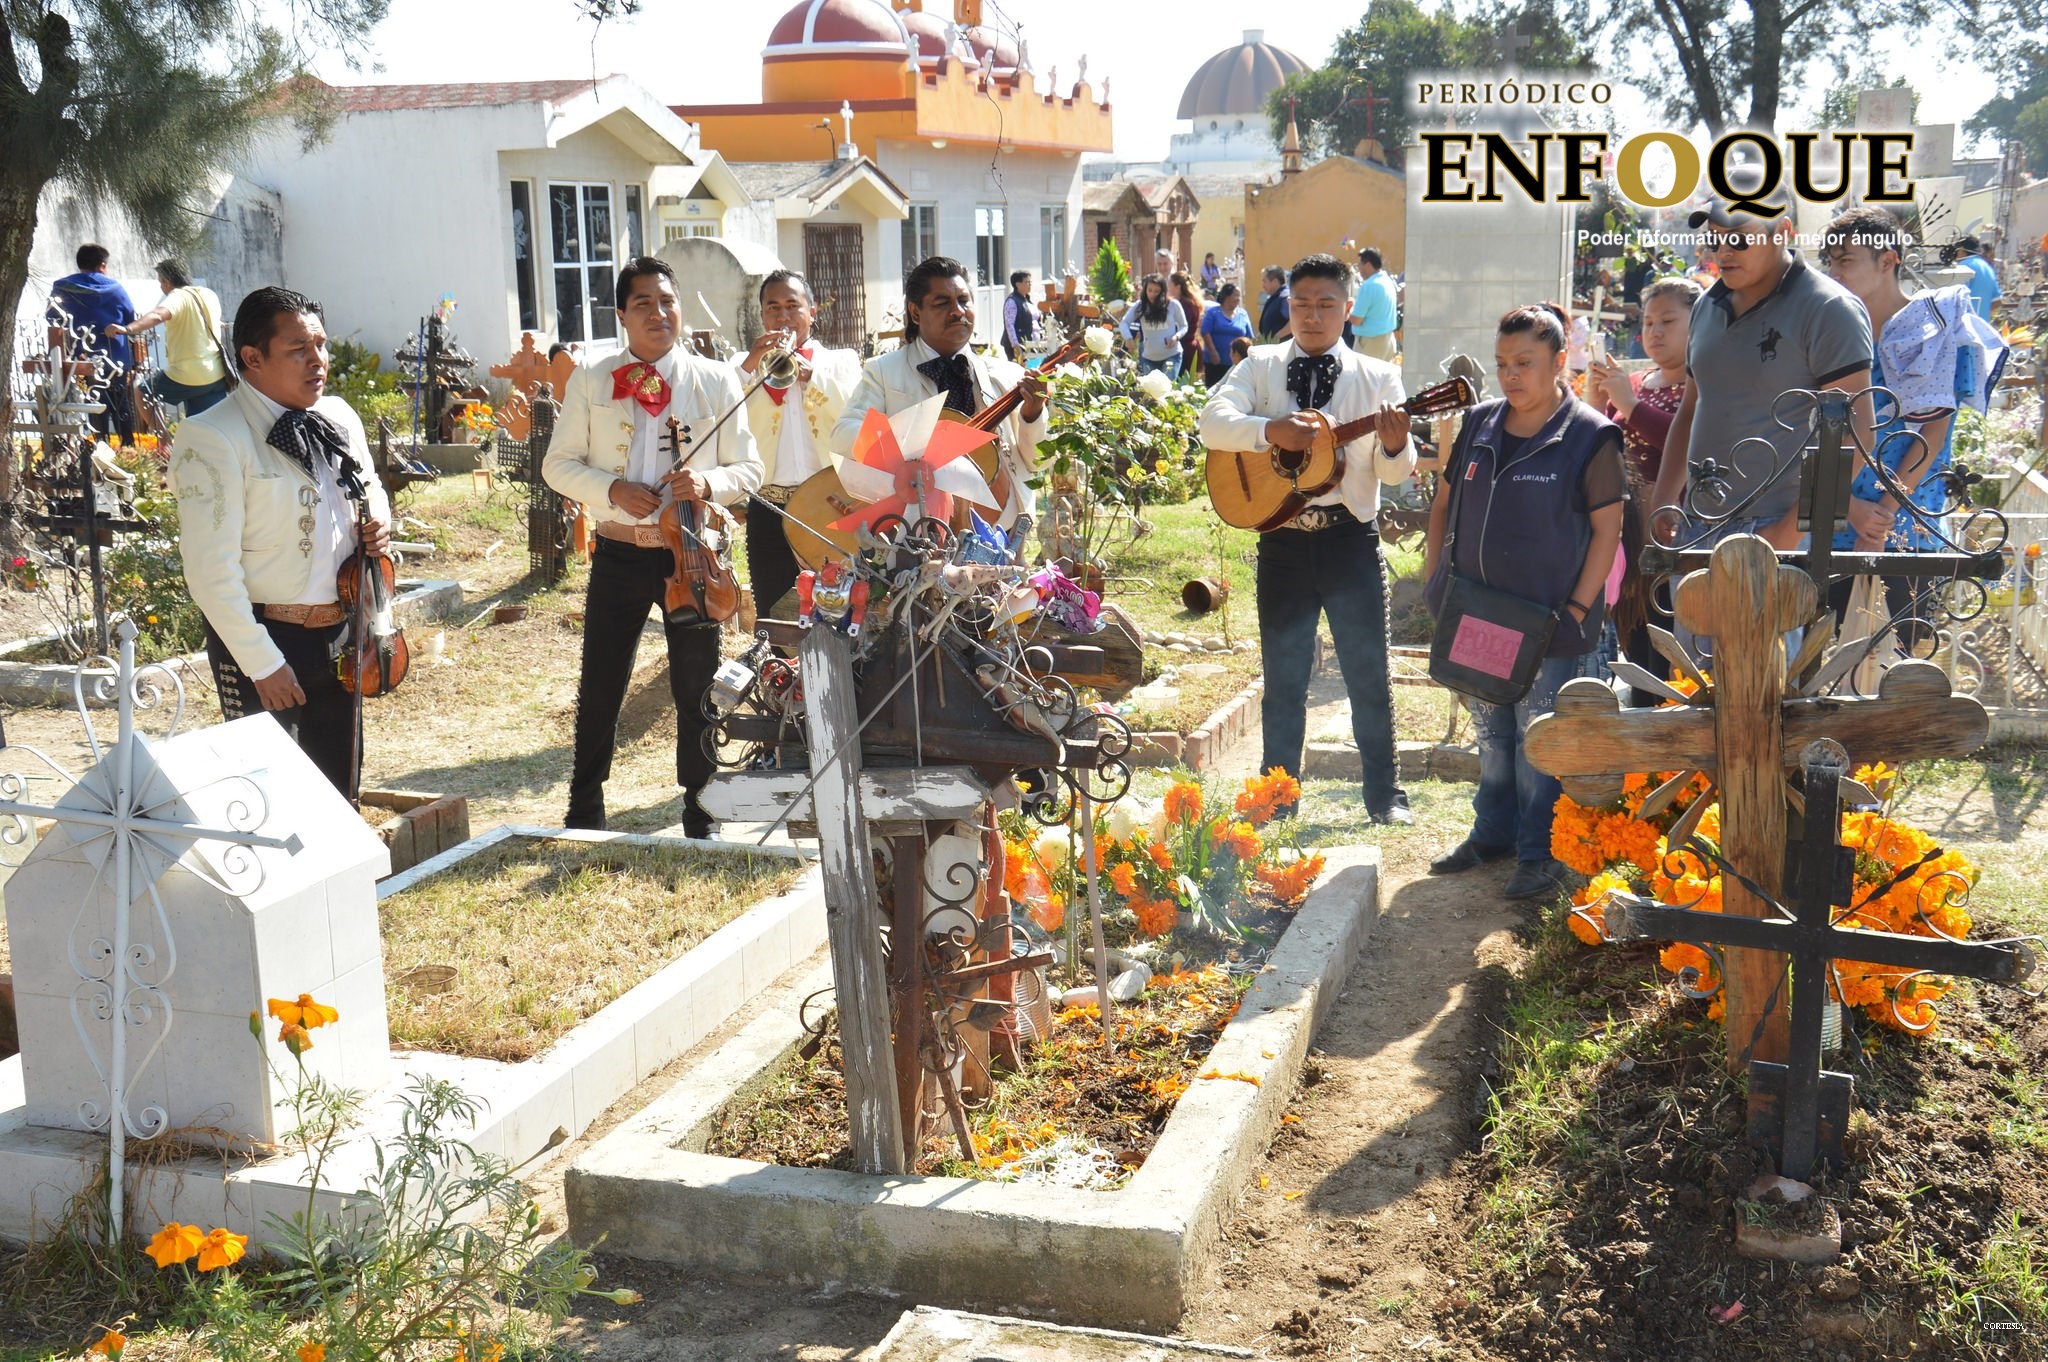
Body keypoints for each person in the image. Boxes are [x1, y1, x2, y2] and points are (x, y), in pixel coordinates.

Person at [542, 257, 763, 836]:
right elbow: (557, 465)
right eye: (643, 303)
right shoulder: (592, 377)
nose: (659, 313)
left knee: (696, 685)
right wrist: (611, 489)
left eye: (668, 302)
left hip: (690, 556)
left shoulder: (716, 378)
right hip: (618, 551)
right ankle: (584, 808)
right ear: (621, 315)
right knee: (601, 683)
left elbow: (750, 468)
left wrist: (708, 483)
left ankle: (701, 810)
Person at [1200, 253, 1417, 826]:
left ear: (1349, 309)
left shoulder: (1379, 377)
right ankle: (1277, 798)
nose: (1312, 316)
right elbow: (1211, 421)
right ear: (1287, 307)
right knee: (1284, 678)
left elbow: (1393, 473)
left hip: (1350, 542)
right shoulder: (1261, 365)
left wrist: (1395, 444)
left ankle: (1385, 797)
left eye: (1325, 305)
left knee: (1368, 675)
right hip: (1282, 544)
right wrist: (1269, 429)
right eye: (1301, 304)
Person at [1424, 304, 1626, 900]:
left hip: (1548, 622)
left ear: (1560, 361)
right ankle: (1492, 833)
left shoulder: (1590, 435)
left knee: (1538, 739)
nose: (1511, 375)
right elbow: (1444, 504)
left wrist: (1579, 611)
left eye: (1525, 363)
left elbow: (1607, 531)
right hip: (1478, 613)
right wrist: (1436, 579)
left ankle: (1539, 855)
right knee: (1492, 734)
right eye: (1503, 363)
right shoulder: (1479, 424)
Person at [169, 286, 392, 801]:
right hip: (267, 636)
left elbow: (371, 486)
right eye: (298, 349)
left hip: (343, 628)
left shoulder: (339, 416)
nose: (318, 361)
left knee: (341, 790)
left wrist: (379, 520)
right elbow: (210, 571)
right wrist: (263, 664)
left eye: (321, 345)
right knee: (271, 799)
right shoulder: (214, 435)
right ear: (253, 358)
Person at [1649, 173, 1871, 559]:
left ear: (1782, 232)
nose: (1723, 252)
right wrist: (1665, 498)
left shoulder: (1828, 309)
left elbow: (1857, 436)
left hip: (1775, 527)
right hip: (1695, 522)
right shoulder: (1706, 306)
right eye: (1715, 239)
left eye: (1739, 239)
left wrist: (1786, 533)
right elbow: (1692, 409)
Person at [1821, 208, 2009, 640]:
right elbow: (1812, 426)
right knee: (1823, 664)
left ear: (1887, 260)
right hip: (1832, 524)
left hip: (1907, 528)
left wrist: (1882, 517)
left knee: (1900, 663)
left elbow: (1934, 433)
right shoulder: (1826, 333)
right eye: (1829, 262)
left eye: (1845, 260)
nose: (1834, 273)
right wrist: (1846, 507)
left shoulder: (1939, 329)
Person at [834, 256, 1047, 531]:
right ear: (915, 313)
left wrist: (1033, 415)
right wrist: (911, 442)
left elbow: (1038, 462)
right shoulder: (884, 372)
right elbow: (843, 434)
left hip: (1001, 527)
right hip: (918, 530)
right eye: (942, 303)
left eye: (964, 300)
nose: (958, 311)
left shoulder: (1006, 374)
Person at [1586, 275, 1697, 695]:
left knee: (1674, 667)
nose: (1655, 332)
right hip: (1628, 547)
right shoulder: (1632, 383)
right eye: (1649, 322)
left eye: (1668, 321)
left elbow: (1687, 445)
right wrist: (1598, 403)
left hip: (1677, 546)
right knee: (1637, 663)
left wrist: (1629, 406)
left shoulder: (1701, 389)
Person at [735, 269, 862, 615]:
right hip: (769, 504)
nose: (783, 316)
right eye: (773, 308)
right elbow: (727, 418)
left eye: (793, 306)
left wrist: (812, 378)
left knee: (838, 603)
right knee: (774, 606)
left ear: (812, 312)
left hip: (829, 501)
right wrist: (750, 366)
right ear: (762, 316)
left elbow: (856, 420)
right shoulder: (743, 368)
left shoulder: (841, 362)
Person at [110, 259, 232, 416]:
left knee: (141, 392)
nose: (161, 288)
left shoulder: (177, 296)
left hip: (186, 375)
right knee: (203, 423)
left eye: (160, 283)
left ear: (166, 282)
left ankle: (161, 433)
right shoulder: (208, 294)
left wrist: (127, 329)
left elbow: (158, 315)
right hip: (216, 375)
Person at [48, 244, 137, 442]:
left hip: (81, 358)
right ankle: (129, 447)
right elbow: (130, 319)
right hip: (115, 357)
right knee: (120, 404)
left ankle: (99, 445)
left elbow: (52, 317)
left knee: (92, 403)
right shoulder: (115, 288)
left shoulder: (62, 287)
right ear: (102, 265)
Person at [1120, 273, 1188, 379]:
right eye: (1150, 290)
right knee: (1151, 388)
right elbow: (1124, 322)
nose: (1152, 294)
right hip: (1148, 358)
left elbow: (1184, 326)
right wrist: (1128, 338)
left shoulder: (1173, 305)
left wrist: (1176, 337)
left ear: (1163, 291)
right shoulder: (1140, 306)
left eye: (1156, 291)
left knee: (1167, 386)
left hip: (1172, 356)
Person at [1349, 247, 1399, 361]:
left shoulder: (1369, 286)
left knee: (1362, 372)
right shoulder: (1387, 281)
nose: (1359, 269)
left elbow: (1356, 319)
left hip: (1370, 343)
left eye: (1359, 265)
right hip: (1388, 339)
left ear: (1367, 265)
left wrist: (1347, 309)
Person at [1199, 282, 1253, 385]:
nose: (1238, 299)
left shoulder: (1243, 314)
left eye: (1239, 296)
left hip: (1237, 363)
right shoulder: (1213, 312)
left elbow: (1249, 337)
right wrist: (1213, 352)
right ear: (1226, 296)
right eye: (1236, 295)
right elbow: (1205, 331)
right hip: (1215, 362)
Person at [1955, 235, 2003, 321]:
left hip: (1963, 324)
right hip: (1982, 325)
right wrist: (1982, 313)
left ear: (1961, 250)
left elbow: (1953, 299)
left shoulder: (1961, 267)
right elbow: (1997, 301)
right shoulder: (1988, 268)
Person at [1169, 270, 1206, 378]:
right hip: (1189, 347)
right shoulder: (1189, 302)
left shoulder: (1184, 305)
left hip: (1185, 349)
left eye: (1170, 284)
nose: (1168, 288)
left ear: (1177, 286)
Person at [1001, 269, 1041, 362]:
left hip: (1033, 345)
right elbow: (1009, 325)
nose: (1030, 284)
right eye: (1027, 282)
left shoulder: (1027, 300)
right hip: (1020, 346)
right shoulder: (1012, 301)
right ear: (1017, 284)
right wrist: (1016, 346)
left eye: (1030, 282)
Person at [1256, 265, 1292, 341]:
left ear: (1275, 282)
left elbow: (1295, 322)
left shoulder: (1285, 298)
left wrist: (1276, 338)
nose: (1263, 286)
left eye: (1265, 281)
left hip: (1283, 346)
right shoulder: (1276, 298)